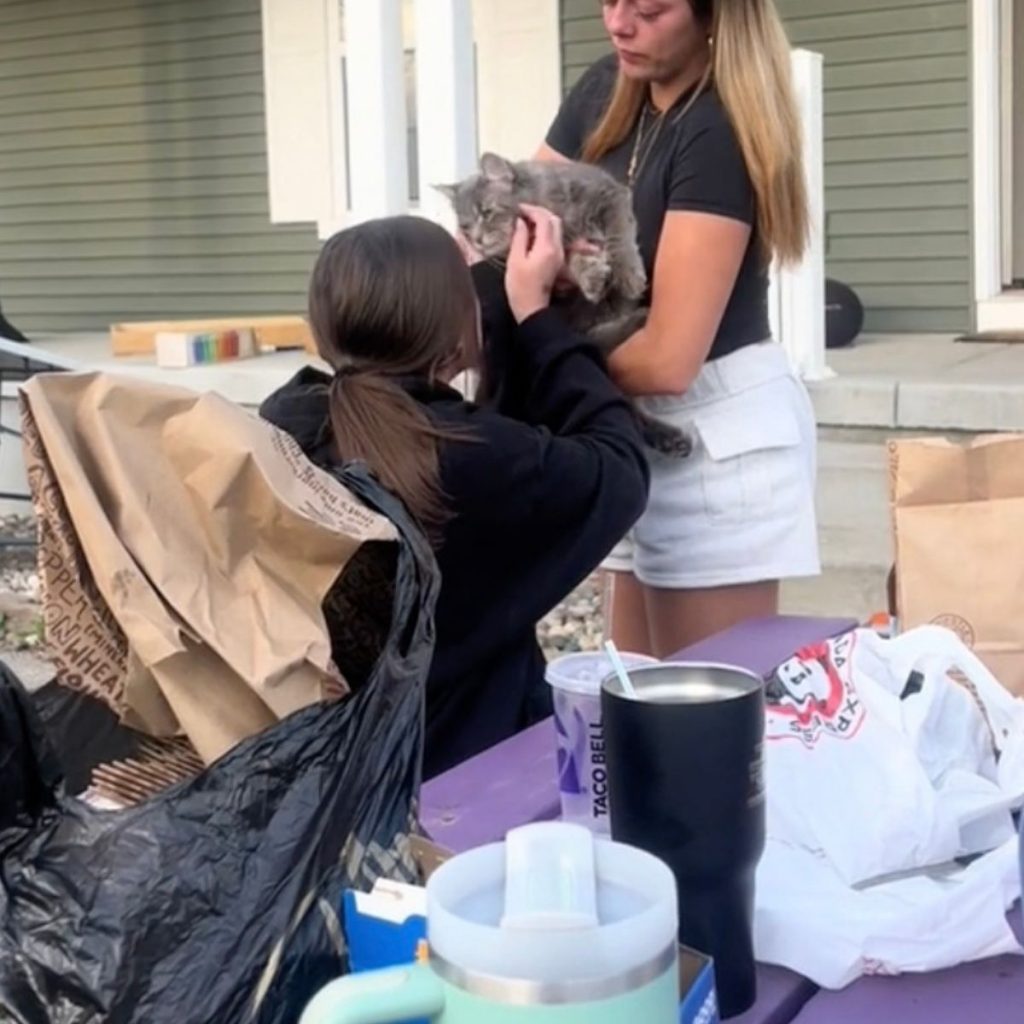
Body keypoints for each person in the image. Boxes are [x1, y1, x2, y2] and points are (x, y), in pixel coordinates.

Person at [260, 210, 649, 779]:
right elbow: (618, 468)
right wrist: (536, 317)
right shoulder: (470, 457)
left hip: (330, 774)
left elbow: (459, 425)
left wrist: (483, 306)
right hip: (474, 777)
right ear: (454, 322)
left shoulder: (285, 426)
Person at [535, 0, 821, 658]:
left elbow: (667, 358)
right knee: (634, 709)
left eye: (651, 10)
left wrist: (544, 360)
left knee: (700, 733)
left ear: (712, 14)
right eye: (609, 1)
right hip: (626, 427)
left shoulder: (717, 127)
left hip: (715, 439)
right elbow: (519, 213)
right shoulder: (606, 89)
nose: (619, 24)